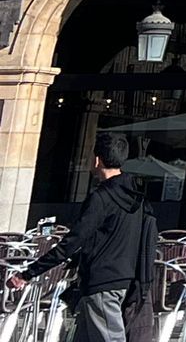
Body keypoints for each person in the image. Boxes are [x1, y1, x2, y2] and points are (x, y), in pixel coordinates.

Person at [6, 133, 155, 342]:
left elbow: (72, 242)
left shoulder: (101, 198)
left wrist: (28, 273)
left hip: (102, 283)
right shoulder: (136, 198)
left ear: (97, 160)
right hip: (125, 280)